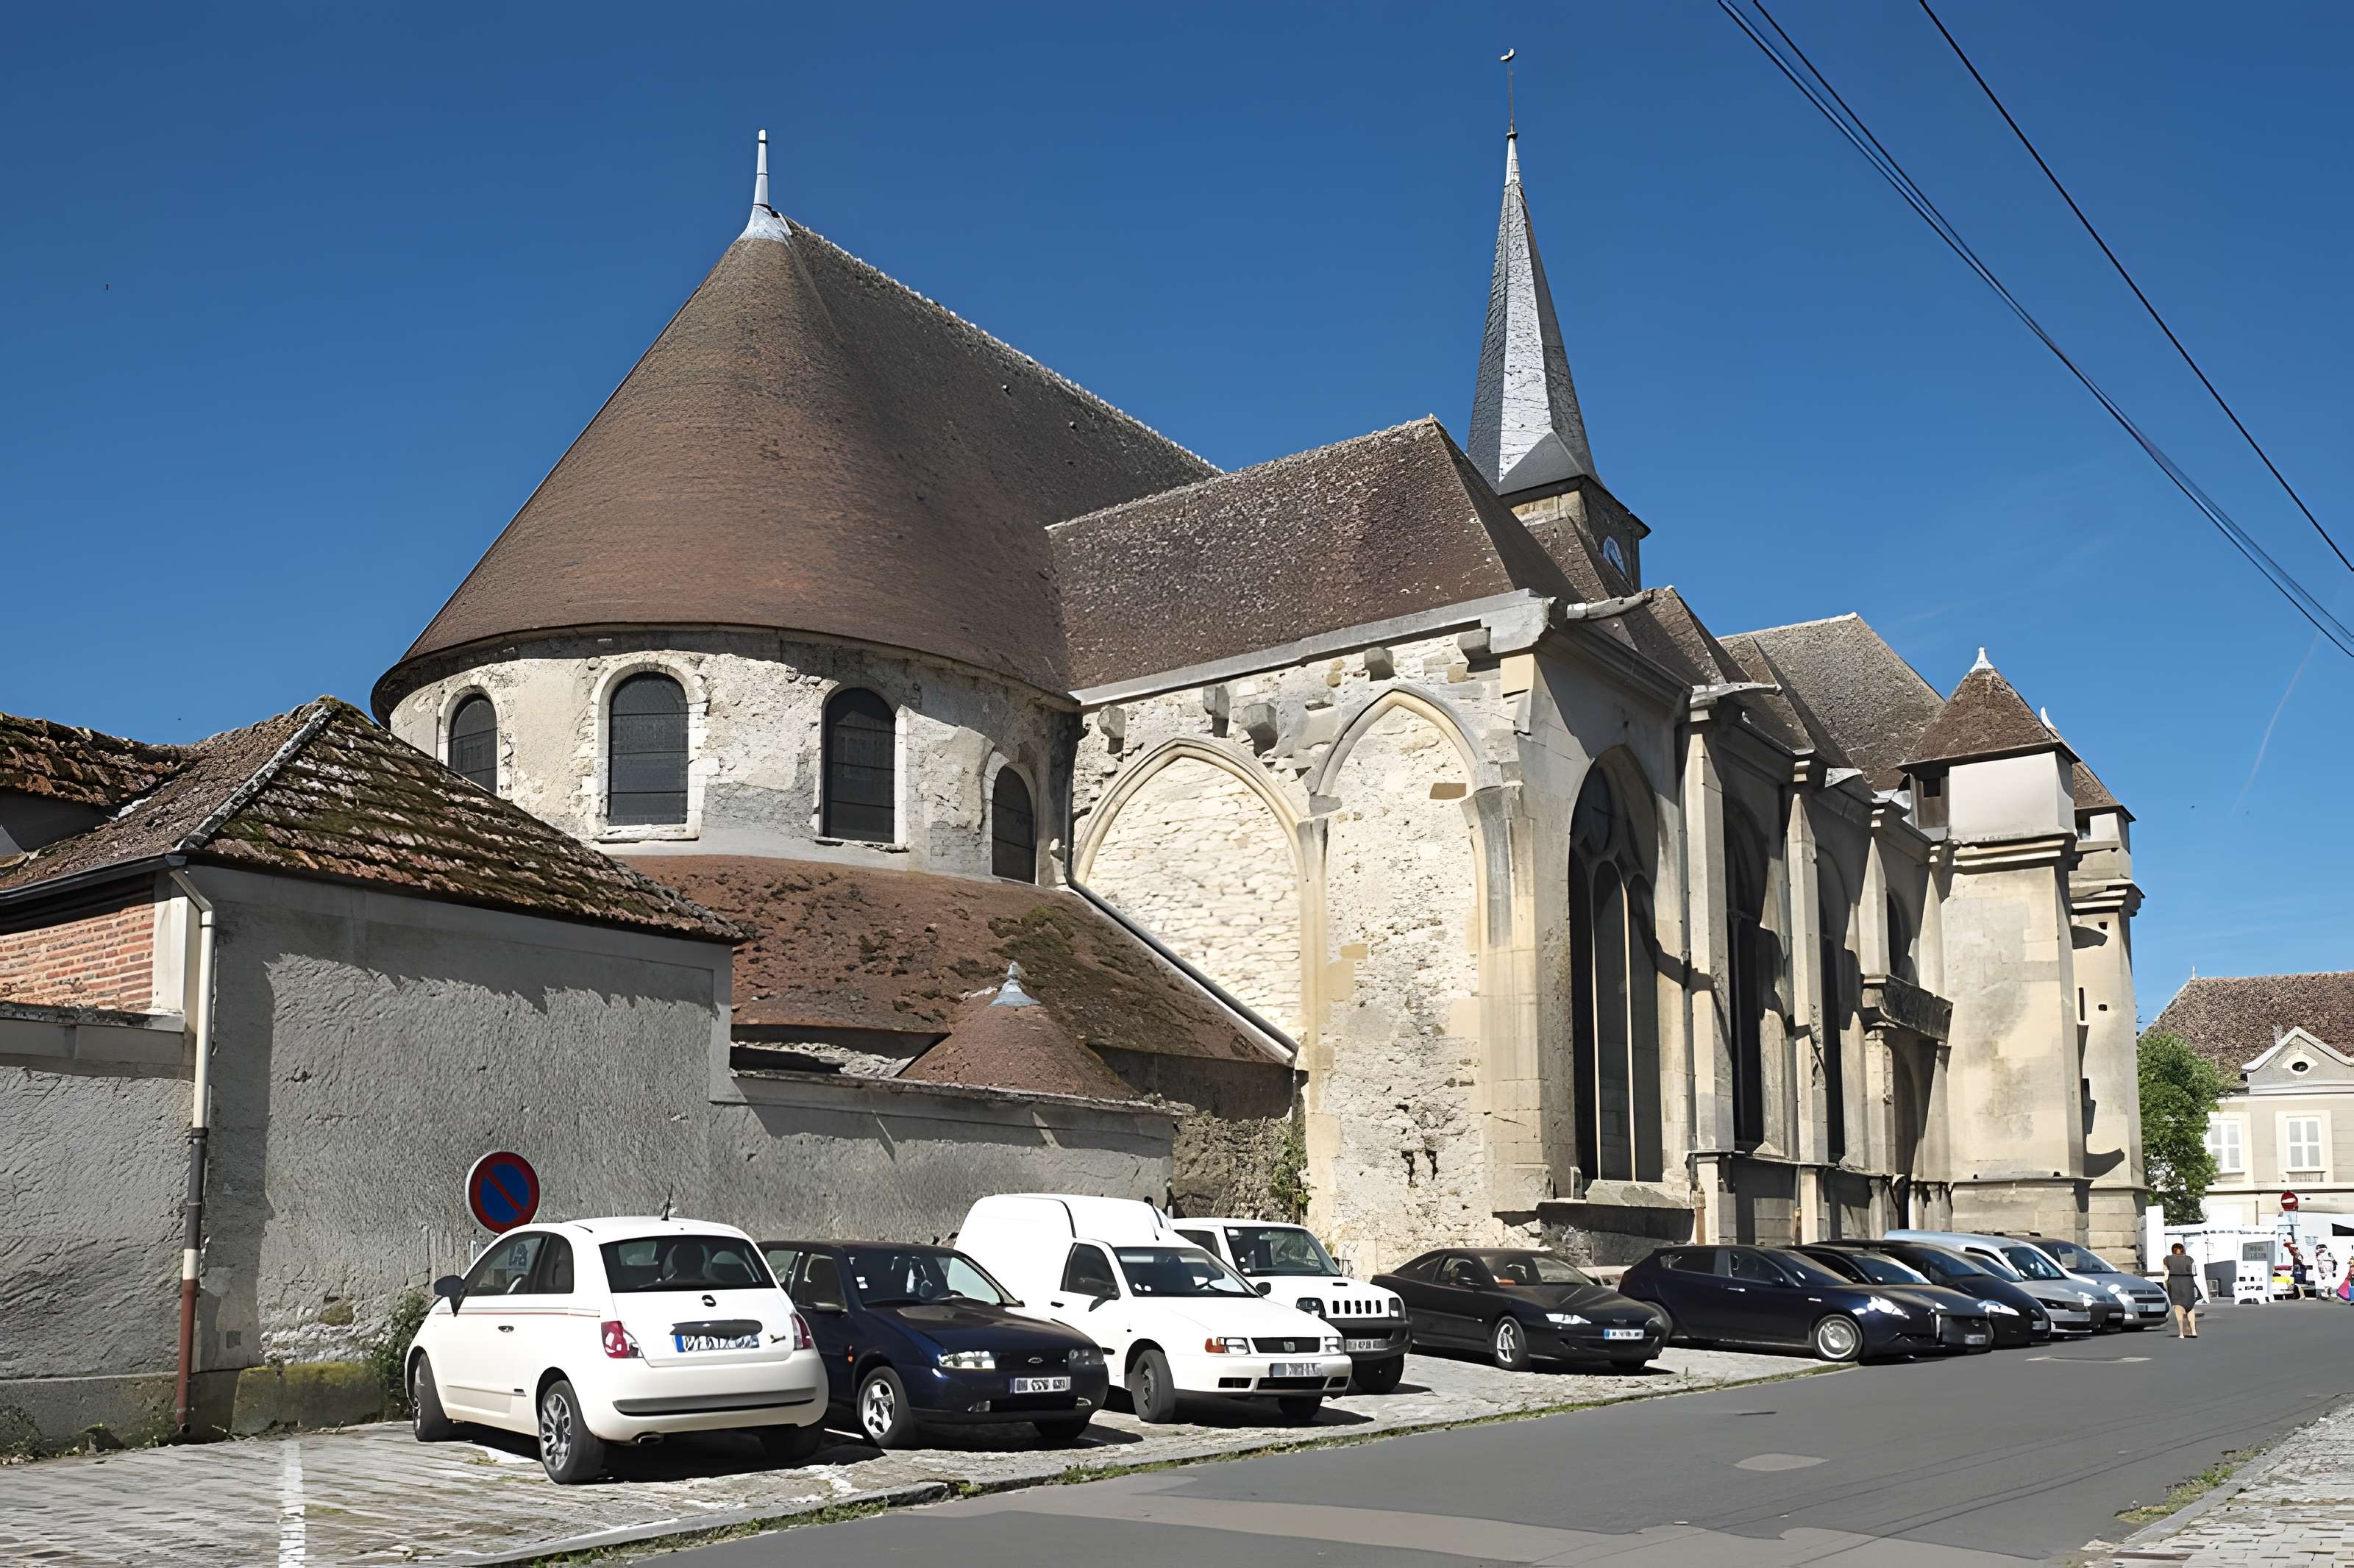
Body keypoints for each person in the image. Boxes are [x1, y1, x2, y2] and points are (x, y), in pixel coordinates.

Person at [2163, 1242, 2201, 1338]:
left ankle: (2181, 1333)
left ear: (2173, 1251)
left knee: (2178, 1308)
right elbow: (2194, 1272)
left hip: (2175, 1283)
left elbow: (2166, 1273)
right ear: (2183, 1250)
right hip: (2188, 1283)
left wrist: (2167, 1286)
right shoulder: (2190, 1259)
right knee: (2190, 1308)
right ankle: (2194, 1331)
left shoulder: (2167, 1259)